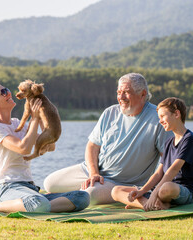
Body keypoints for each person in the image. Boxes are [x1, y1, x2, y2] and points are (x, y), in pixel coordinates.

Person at [0, 82, 90, 214]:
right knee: (38, 203)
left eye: (7, 89)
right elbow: (24, 149)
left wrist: (41, 116)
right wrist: (34, 119)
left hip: (30, 188)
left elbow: (51, 146)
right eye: (3, 92)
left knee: (82, 197)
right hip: (8, 187)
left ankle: (39, 204)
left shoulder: (17, 123)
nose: (9, 93)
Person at [43, 73, 172, 205]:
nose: (121, 97)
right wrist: (94, 173)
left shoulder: (157, 118)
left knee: (90, 195)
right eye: (119, 92)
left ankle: (63, 196)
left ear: (143, 94)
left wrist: (156, 189)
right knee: (50, 183)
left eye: (126, 92)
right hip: (92, 172)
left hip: (121, 183)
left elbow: (168, 159)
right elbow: (92, 146)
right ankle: (65, 194)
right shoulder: (109, 113)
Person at [111, 97, 193, 211]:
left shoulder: (189, 139)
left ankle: (150, 202)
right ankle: (155, 205)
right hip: (161, 189)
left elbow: (173, 169)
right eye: (159, 117)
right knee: (116, 191)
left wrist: (154, 193)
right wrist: (142, 191)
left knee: (166, 187)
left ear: (176, 114)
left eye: (163, 116)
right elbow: (159, 173)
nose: (160, 121)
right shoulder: (169, 141)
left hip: (182, 190)